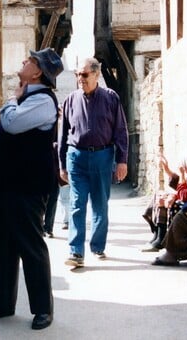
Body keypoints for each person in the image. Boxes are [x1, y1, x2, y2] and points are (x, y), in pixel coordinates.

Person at [0, 47, 62, 330]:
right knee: (0, 245)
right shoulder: (28, 97)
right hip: (3, 185)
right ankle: (1, 303)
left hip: (25, 187)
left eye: (29, 60)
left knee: (30, 246)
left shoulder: (43, 101)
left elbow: (12, 124)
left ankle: (42, 309)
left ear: (37, 71)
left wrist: (12, 102)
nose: (23, 62)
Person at [59, 57, 129, 267]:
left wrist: (122, 161)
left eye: (84, 74)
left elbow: (120, 131)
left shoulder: (110, 98)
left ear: (96, 75)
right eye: (78, 74)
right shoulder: (71, 100)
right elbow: (62, 135)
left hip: (102, 157)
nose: (80, 78)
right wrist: (62, 164)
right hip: (76, 158)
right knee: (77, 205)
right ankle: (76, 252)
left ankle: (97, 246)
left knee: (100, 205)